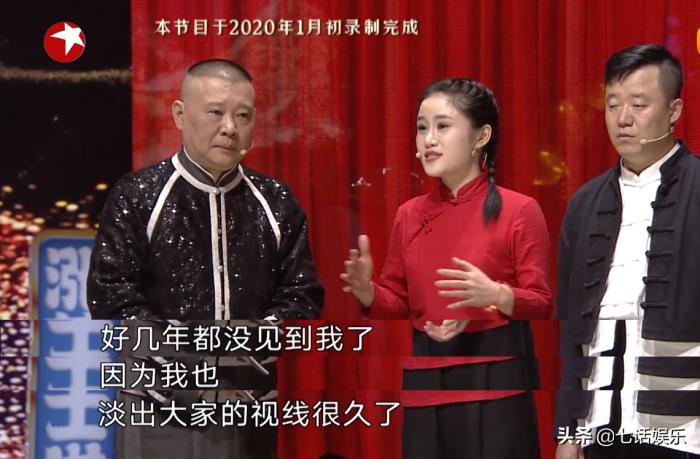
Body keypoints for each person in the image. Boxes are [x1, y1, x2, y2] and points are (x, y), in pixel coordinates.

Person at [87, 59, 324, 458]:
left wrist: (248, 347)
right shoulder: (138, 195)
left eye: (243, 115)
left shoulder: (277, 202)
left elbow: (301, 296)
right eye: (216, 112)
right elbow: (110, 294)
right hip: (155, 404)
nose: (230, 127)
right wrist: (177, 365)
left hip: (245, 401)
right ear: (180, 115)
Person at [341, 79, 552, 459]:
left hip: (495, 377)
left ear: (481, 136)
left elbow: (541, 302)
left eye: (442, 126)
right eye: (422, 127)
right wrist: (367, 291)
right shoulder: (409, 214)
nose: (429, 140)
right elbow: (398, 301)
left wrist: (495, 295)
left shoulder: (519, 210)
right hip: (427, 374)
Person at [555, 44, 700, 459]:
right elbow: (571, 330)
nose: (622, 118)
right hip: (600, 427)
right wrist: (568, 431)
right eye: (612, 104)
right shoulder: (584, 204)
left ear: (673, 111)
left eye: (638, 104)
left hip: (686, 432)